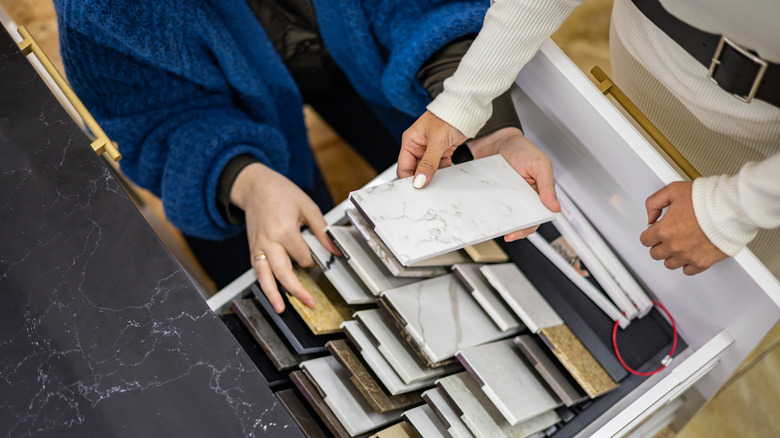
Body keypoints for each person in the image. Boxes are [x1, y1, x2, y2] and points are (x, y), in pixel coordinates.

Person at [53, 0, 544, 311]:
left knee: (456, 195)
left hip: (362, 33)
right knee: (298, 290)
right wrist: (243, 180)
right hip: (217, 112)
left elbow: (427, 8)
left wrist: (483, 120)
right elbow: (156, 117)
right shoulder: (97, 8)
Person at [399, 0, 780, 278]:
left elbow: (728, 220)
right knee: (630, 184)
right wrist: (463, 102)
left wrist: (734, 209)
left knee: (739, 265)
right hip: (649, 45)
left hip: (766, 130)